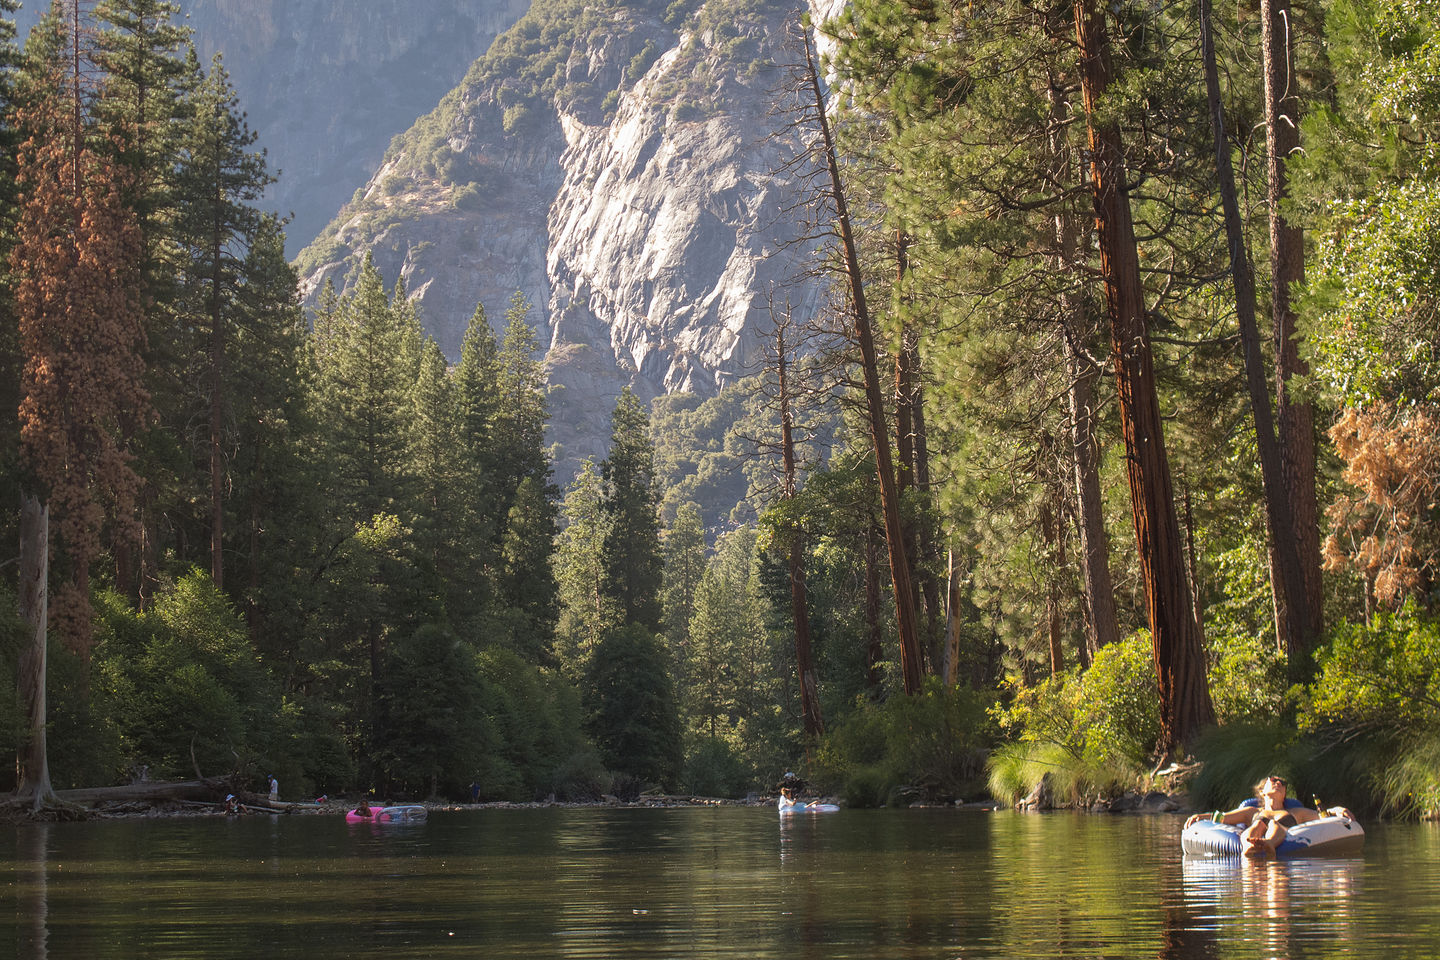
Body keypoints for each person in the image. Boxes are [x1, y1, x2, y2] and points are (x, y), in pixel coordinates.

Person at [1184, 775, 1355, 857]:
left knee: (1275, 824)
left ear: (1285, 793)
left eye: (1283, 783)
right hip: (1254, 829)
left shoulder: (1296, 812)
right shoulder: (1252, 812)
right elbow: (1222, 818)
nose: (1278, 783)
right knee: (1258, 824)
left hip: (1280, 833)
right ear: (1262, 791)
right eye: (1273, 780)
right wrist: (1201, 817)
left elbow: (1323, 816)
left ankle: (1270, 845)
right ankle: (1249, 847)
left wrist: (1338, 809)